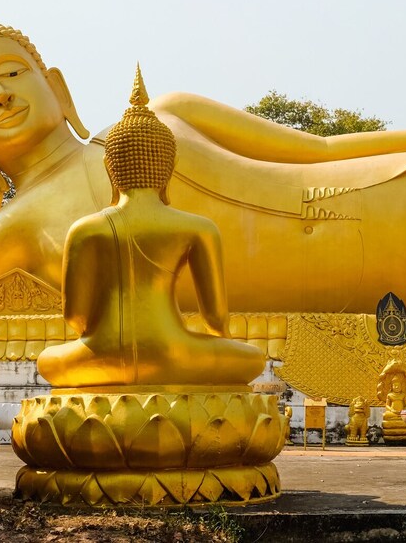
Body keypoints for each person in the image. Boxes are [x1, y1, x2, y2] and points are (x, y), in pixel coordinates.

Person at [0, 0, 406, 316]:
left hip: (394, 190)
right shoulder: (21, 225)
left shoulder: (166, 111)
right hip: (378, 287)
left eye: (12, 72)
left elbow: (321, 151)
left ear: (56, 85)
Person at [36, 69, 265, 388]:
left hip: (100, 358)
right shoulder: (197, 228)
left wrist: (104, 339)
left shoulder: (87, 229)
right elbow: (215, 319)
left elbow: (76, 318)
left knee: (47, 361)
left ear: (111, 168)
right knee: (252, 357)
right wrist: (220, 350)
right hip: (176, 354)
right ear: (167, 167)